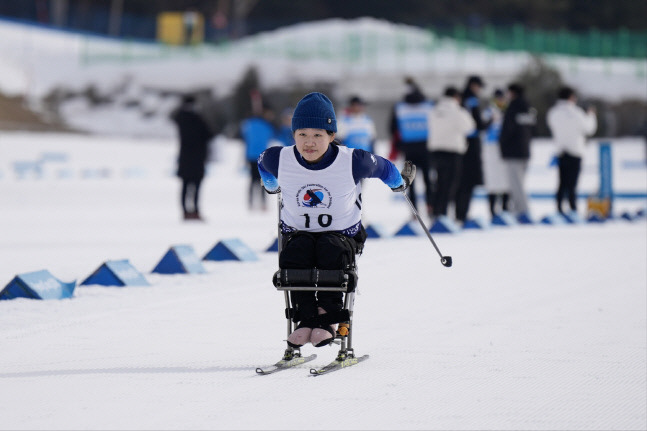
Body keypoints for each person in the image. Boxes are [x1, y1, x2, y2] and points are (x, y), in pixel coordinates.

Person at [257, 92, 415, 348]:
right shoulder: (279, 157)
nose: (310, 142)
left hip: (343, 235)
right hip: (297, 232)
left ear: (331, 136)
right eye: (302, 135)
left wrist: (399, 183)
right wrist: (271, 186)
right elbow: (262, 164)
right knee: (296, 254)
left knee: (330, 249)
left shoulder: (352, 160)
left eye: (318, 135)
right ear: (293, 134)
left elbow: (384, 167)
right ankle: (305, 319)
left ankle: (328, 319)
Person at [427, 86, 476, 219]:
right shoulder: (458, 111)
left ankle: (436, 212)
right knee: (450, 184)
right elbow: (470, 127)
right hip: (453, 151)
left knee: (439, 182)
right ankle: (443, 213)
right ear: (456, 97)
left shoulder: (434, 110)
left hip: (436, 151)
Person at [547, 86, 597, 215]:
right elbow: (589, 129)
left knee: (561, 182)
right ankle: (572, 208)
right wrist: (591, 115)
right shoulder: (576, 113)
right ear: (571, 97)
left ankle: (559, 208)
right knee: (572, 184)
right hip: (575, 151)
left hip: (561, 151)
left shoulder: (553, 112)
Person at [389, 77, 434, 215]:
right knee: (428, 180)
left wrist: (400, 146)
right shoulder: (428, 105)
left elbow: (393, 128)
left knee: (410, 181)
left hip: (409, 148)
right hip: (426, 147)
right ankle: (430, 206)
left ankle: (414, 211)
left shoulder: (400, 107)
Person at [171, 94, 214, 221]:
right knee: (196, 186)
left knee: (185, 185)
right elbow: (209, 134)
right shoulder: (198, 119)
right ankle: (195, 210)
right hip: (197, 157)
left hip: (184, 157)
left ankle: (185, 211)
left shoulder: (180, 118)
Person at [499, 83, 537, 221]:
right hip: (525, 150)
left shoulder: (512, 108)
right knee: (520, 182)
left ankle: (522, 211)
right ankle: (518, 208)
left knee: (515, 184)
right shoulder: (529, 108)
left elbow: (507, 130)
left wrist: (502, 147)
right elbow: (534, 129)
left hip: (512, 151)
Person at [456, 75, 489, 224]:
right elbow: (479, 124)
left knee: (459, 181)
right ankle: (462, 214)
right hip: (471, 146)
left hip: (459, 145)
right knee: (468, 182)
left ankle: (458, 213)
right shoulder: (472, 101)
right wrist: (489, 122)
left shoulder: (459, 99)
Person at [481, 89, 511, 218]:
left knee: (506, 179)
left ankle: (505, 208)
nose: (501, 101)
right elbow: (482, 128)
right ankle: (492, 209)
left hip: (505, 148)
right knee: (492, 180)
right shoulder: (488, 113)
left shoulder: (508, 112)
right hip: (491, 148)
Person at [240, 105, 276, 211]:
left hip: (251, 155)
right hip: (262, 155)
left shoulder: (248, 124)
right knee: (262, 180)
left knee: (252, 180)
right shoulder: (266, 125)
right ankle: (263, 203)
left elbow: (244, 136)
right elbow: (272, 134)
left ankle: (250, 202)